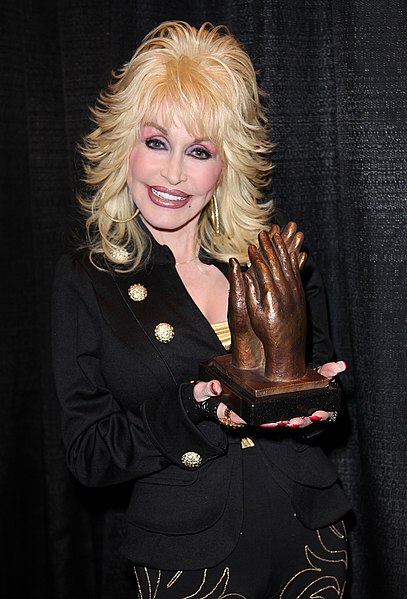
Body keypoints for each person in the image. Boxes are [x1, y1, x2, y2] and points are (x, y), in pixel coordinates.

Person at [52, 21, 350, 598]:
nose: (173, 174)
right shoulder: (87, 281)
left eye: (199, 151)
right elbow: (89, 454)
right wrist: (200, 405)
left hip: (310, 536)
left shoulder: (271, 260)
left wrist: (318, 406)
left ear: (224, 168)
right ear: (125, 148)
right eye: (157, 142)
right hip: (189, 561)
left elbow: (318, 392)